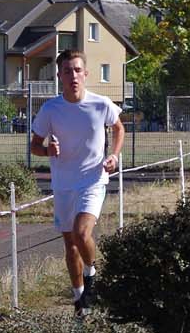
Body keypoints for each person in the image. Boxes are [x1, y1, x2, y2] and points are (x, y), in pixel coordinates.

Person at [29, 49, 124, 315]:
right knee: (70, 245)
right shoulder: (51, 109)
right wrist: (48, 150)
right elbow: (35, 146)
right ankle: (80, 302)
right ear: (59, 76)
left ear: (86, 74)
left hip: (93, 180)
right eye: (68, 71)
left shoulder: (101, 104)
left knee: (83, 233)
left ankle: (92, 274)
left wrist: (113, 156)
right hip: (63, 184)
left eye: (78, 70)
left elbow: (118, 128)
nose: (74, 76)